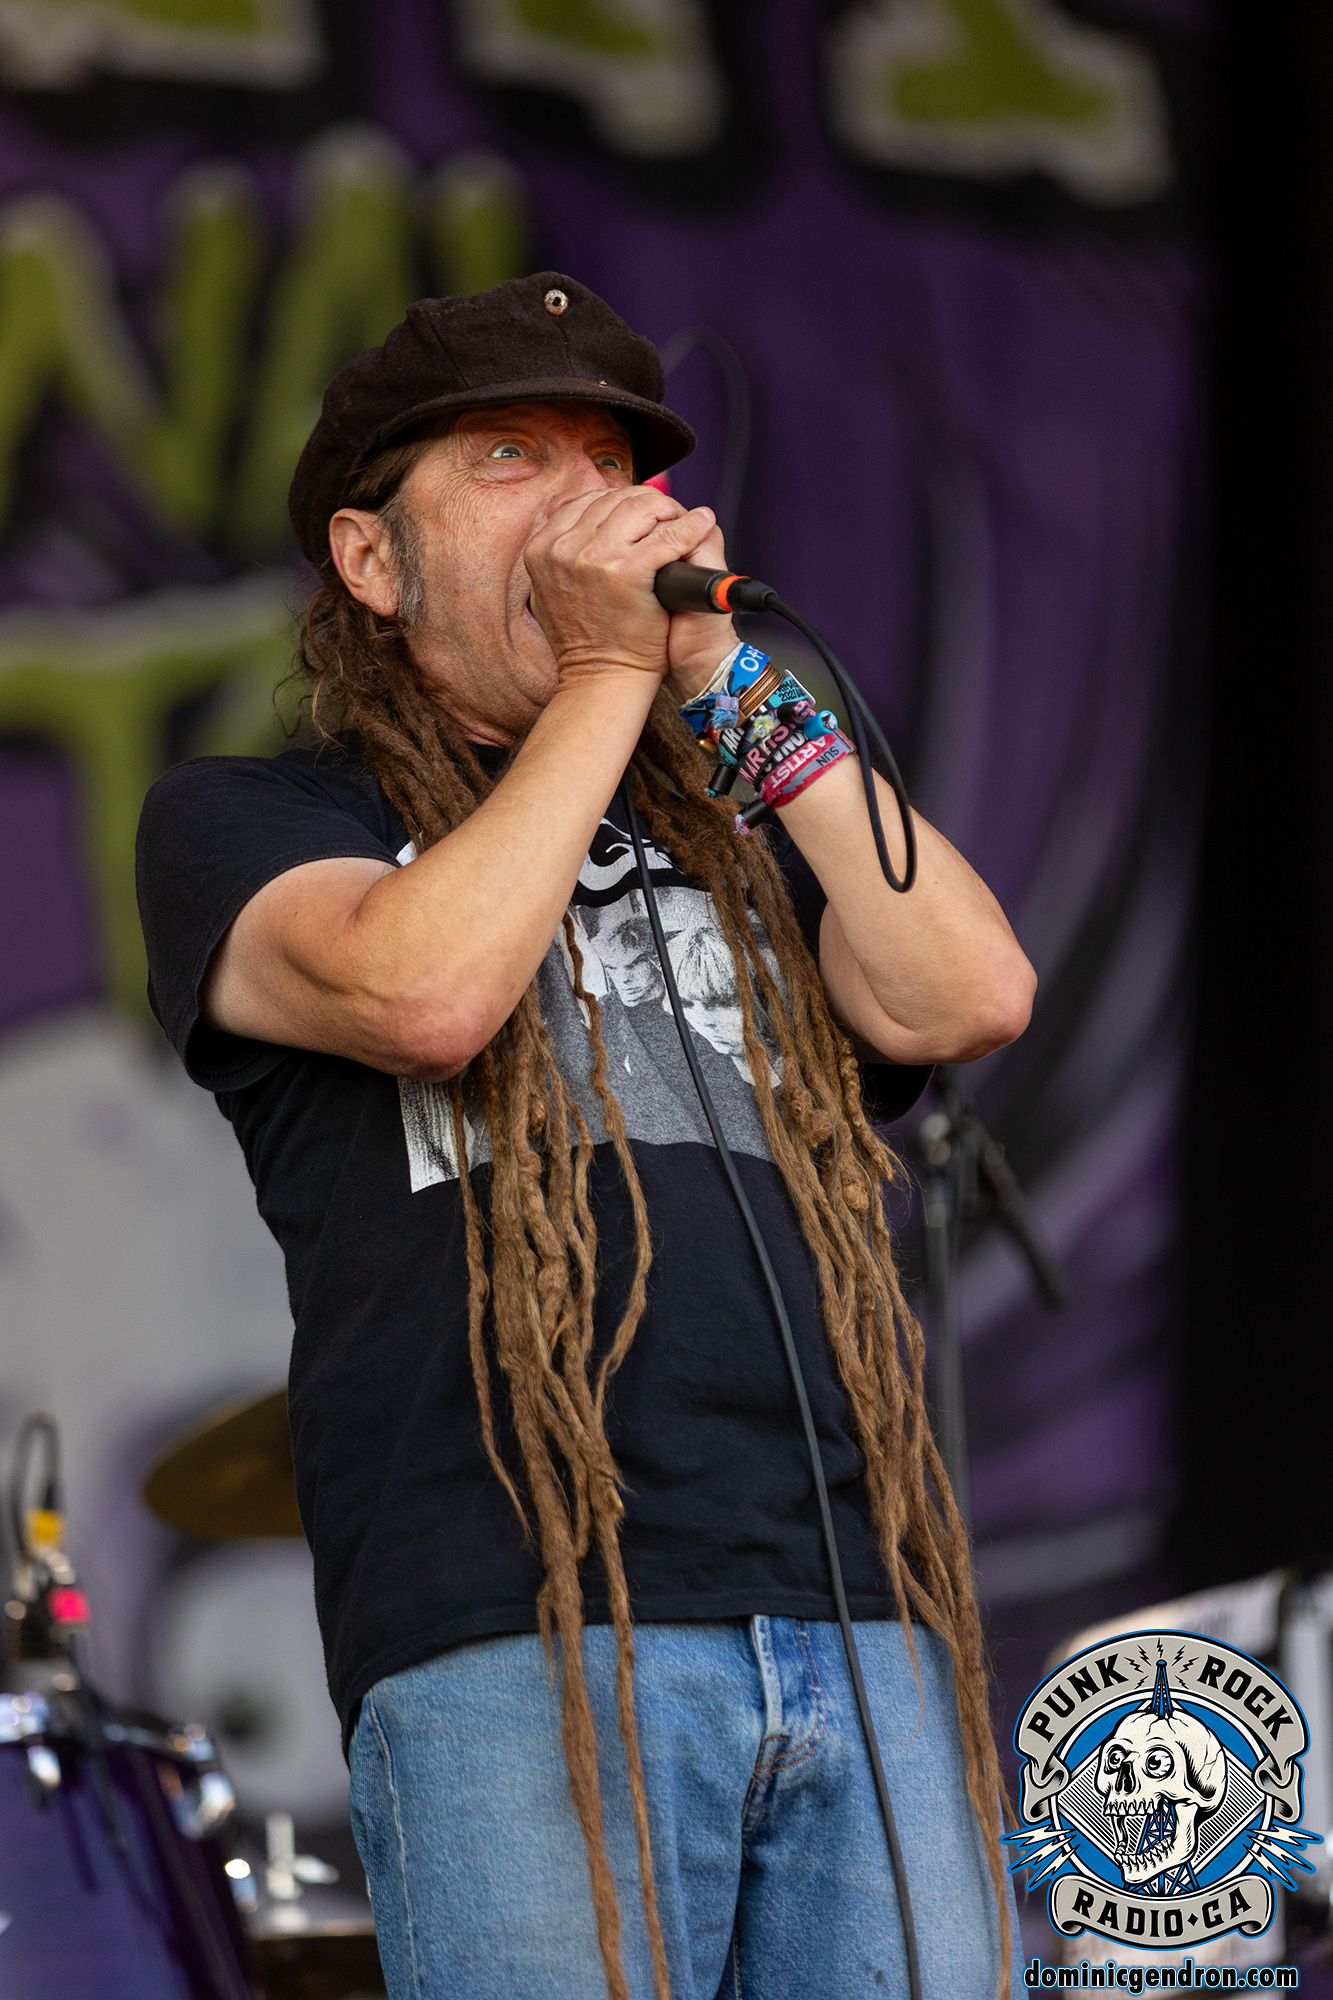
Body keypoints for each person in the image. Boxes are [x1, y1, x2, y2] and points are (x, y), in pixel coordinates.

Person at [136, 273, 1036, 2000]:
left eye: (610, 463)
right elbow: (423, 996)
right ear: (371, 560)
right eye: (507, 457)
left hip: (859, 1613)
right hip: (520, 1627)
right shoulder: (258, 818)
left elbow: (964, 996)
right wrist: (612, 669)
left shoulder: (740, 835)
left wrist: (717, 678)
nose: (583, 502)